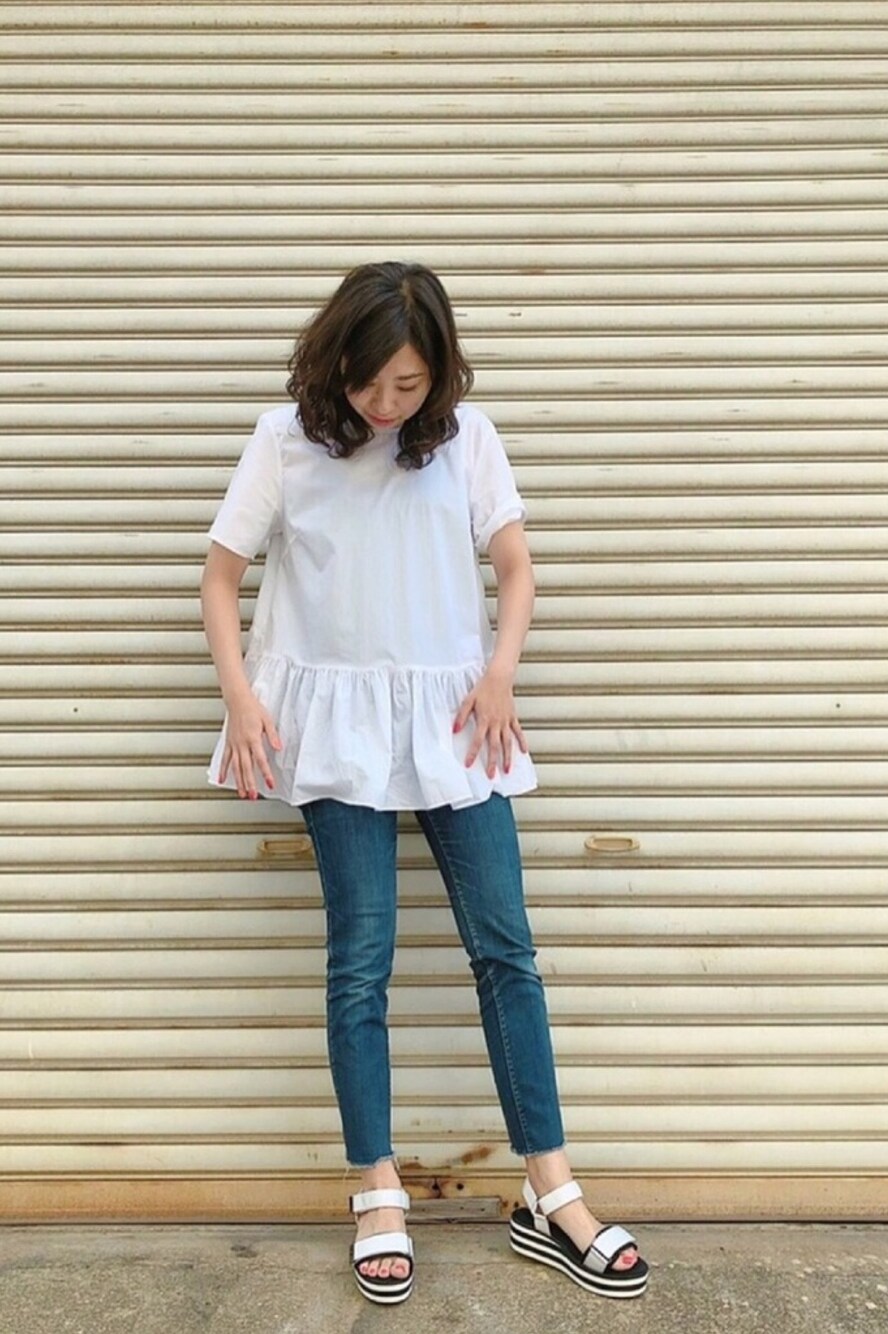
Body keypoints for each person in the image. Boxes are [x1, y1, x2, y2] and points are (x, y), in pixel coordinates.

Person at [200, 261, 648, 1304]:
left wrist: (500, 671)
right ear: (335, 361)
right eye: (369, 383)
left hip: (456, 717)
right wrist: (241, 697)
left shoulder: (468, 439)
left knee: (506, 949)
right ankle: (377, 1189)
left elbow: (516, 568)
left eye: (407, 384)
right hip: (335, 725)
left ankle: (550, 1188)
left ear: (438, 372)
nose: (386, 403)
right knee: (360, 961)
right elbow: (220, 576)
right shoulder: (285, 441)